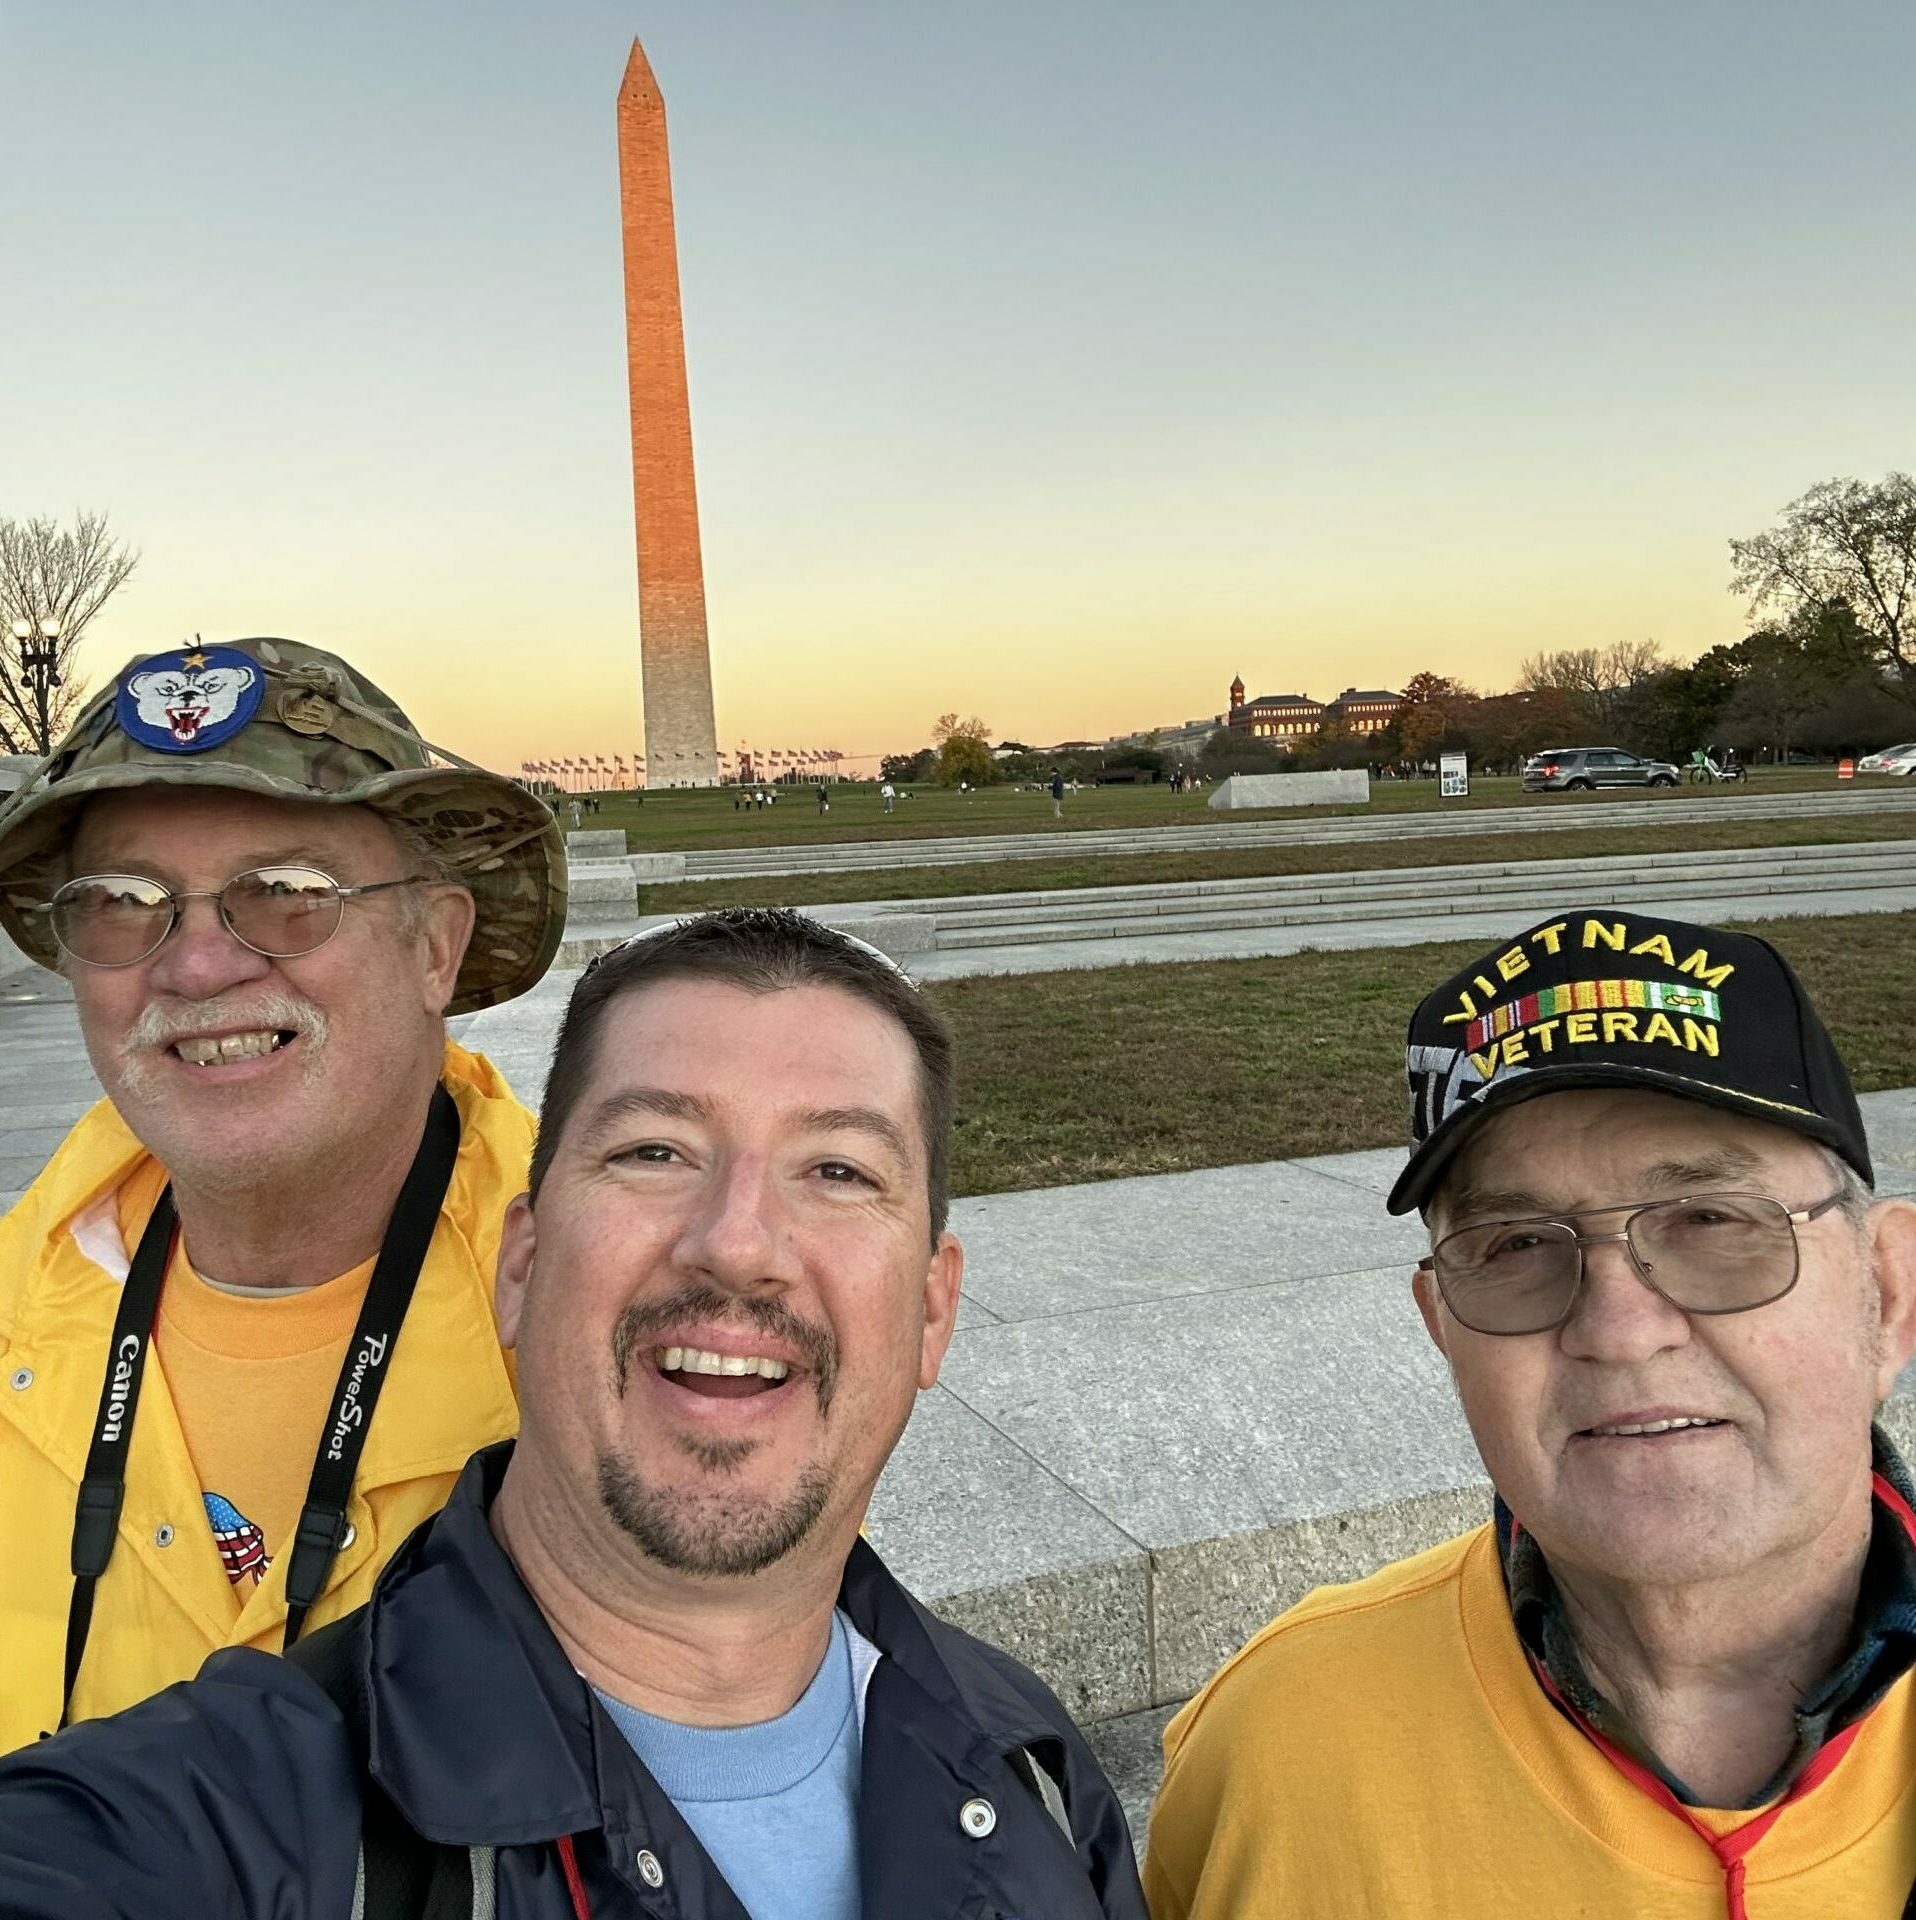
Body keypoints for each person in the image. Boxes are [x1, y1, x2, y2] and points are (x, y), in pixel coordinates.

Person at [0, 909, 1148, 1920]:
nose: (738, 1244)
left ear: (933, 1313)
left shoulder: (1030, 1765)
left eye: (839, 1171)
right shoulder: (209, 1820)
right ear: (521, 1267)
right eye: (654, 1151)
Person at [1145, 909, 1916, 1918]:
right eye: (1514, 1245)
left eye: (1711, 1221)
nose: (1619, 1328)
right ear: (1441, 1329)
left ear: (1885, 1293)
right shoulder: (1272, 1751)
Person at [0, 636, 565, 1753]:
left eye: (288, 893)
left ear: (434, 950)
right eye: (121, 900)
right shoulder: (16, 1296)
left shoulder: (618, 1325)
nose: (197, 966)